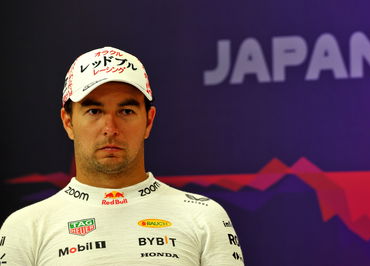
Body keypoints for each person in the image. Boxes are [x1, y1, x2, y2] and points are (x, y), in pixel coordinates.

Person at [0, 47, 244, 265]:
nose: (110, 127)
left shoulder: (203, 216)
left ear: (148, 121)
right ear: (68, 122)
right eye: (94, 111)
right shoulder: (24, 227)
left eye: (126, 111)